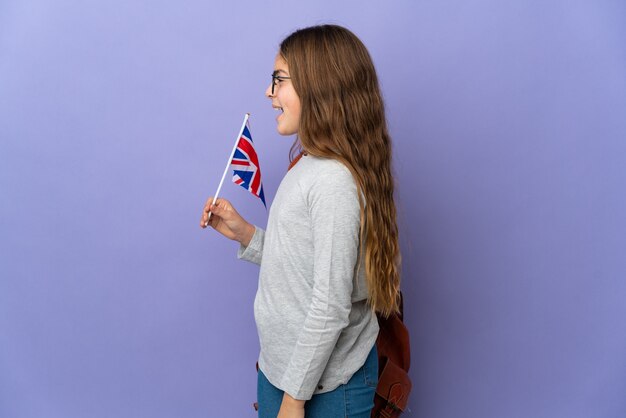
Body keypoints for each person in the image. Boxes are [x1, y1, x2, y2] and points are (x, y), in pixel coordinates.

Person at [200, 24, 401, 418]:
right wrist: (247, 235)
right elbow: (303, 266)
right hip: (285, 376)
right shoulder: (310, 164)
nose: (268, 93)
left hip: (321, 390)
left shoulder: (333, 183)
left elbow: (329, 304)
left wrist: (295, 401)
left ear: (319, 85)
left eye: (279, 80)